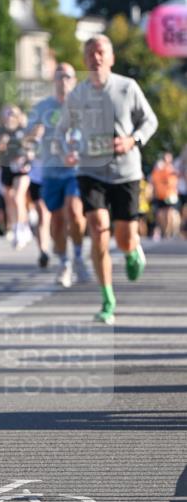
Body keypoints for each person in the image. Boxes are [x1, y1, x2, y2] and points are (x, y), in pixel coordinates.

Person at [59, 35, 158, 325]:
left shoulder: (128, 87)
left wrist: (133, 140)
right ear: (85, 60)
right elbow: (63, 130)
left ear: (111, 58)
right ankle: (107, 298)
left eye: (101, 52)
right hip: (90, 171)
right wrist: (69, 152)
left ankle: (131, 249)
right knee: (98, 226)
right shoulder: (77, 95)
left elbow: (150, 120)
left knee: (124, 235)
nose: (96, 58)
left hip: (126, 171)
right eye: (90, 53)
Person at [27, 64, 90, 287]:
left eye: (68, 76)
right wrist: (34, 135)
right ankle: (65, 263)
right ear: (54, 80)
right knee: (57, 221)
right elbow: (27, 137)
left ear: (74, 80)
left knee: (74, 211)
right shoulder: (43, 107)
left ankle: (80, 257)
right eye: (59, 76)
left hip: (76, 170)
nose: (63, 80)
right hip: (51, 171)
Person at [0, 105, 33, 248]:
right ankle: (17, 225)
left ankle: (20, 229)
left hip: (22, 168)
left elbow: (31, 147)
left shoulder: (22, 131)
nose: (10, 117)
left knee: (18, 197)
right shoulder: (1, 132)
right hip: (7, 168)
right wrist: (1, 144)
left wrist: (27, 155)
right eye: (8, 114)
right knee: (10, 200)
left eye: (13, 114)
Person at [150, 152, 180, 238]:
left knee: (169, 212)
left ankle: (170, 231)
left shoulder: (172, 169)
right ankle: (165, 230)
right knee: (161, 213)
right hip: (160, 195)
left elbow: (174, 180)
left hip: (170, 194)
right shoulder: (159, 169)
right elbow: (154, 181)